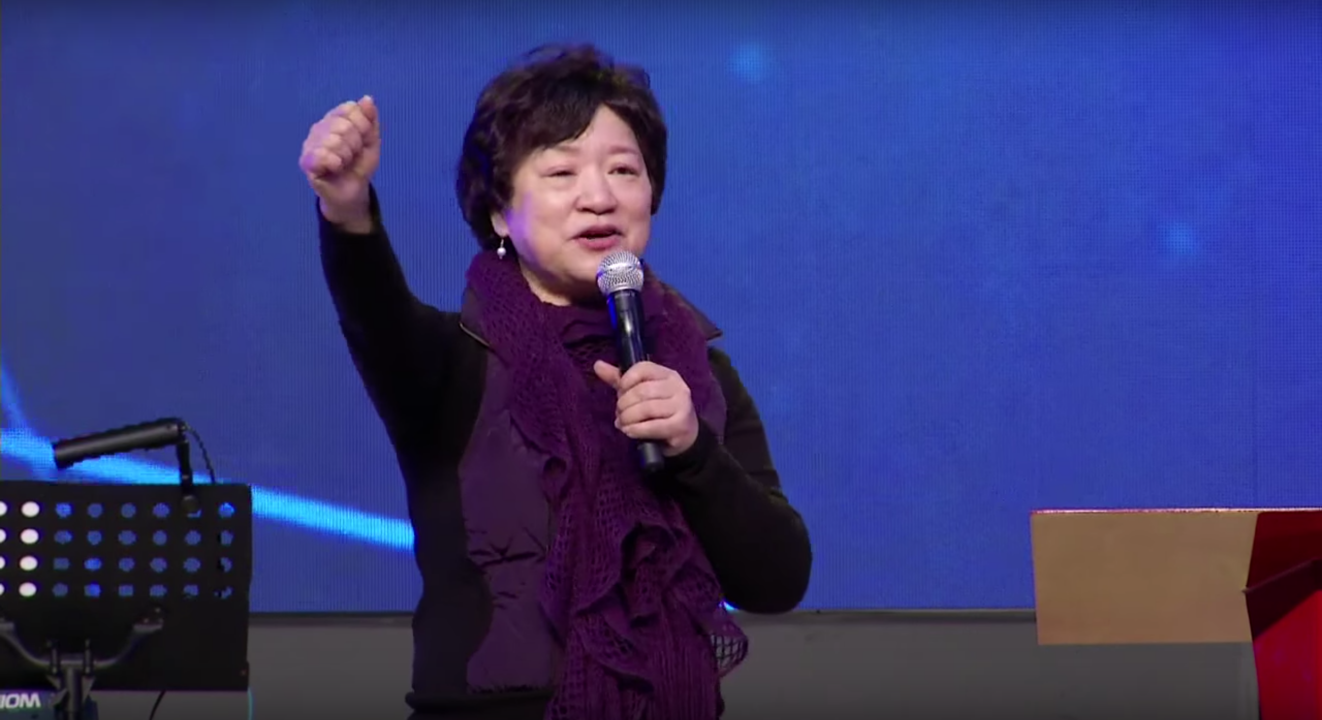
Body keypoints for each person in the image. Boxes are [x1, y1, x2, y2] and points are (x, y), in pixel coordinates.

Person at [298, 44, 812, 720]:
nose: (599, 197)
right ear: (498, 212)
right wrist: (347, 210)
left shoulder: (696, 372)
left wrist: (693, 453)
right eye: (562, 172)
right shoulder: (451, 360)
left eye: (623, 170)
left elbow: (778, 577)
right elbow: (373, 309)